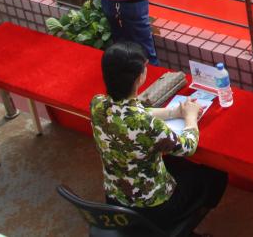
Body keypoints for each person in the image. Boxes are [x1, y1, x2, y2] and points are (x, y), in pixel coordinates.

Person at [90, 42, 227, 230]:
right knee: (215, 172)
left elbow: (131, 113)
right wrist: (190, 116)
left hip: (116, 199)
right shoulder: (149, 125)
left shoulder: (97, 104)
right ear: (140, 77)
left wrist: (173, 112)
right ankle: (191, 215)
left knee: (176, 166)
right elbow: (188, 147)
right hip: (154, 209)